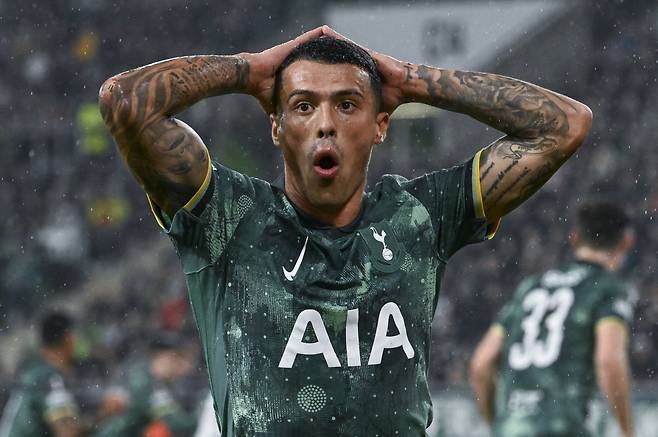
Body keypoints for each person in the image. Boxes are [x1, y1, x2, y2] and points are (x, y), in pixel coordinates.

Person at [98, 25, 592, 436]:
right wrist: (248, 69)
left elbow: (565, 125)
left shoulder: (417, 216)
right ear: (276, 126)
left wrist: (410, 79)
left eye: (348, 104)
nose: (326, 124)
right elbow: (124, 102)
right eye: (304, 105)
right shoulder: (229, 217)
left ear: (381, 124)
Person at [469, 201, 635, 437]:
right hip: (564, 426)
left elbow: (481, 364)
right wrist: (628, 430)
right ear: (626, 242)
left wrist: (497, 424)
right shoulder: (606, 289)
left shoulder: (531, 287)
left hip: (512, 427)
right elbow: (609, 360)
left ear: (574, 238)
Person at [93, 334, 196, 437]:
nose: (173, 366)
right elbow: (145, 407)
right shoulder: (140, 376)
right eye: (171, 360)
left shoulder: (161, 383)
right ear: (158, 357)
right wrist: (195, 421)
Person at [0, 311, 83, 437]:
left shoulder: (36, 370)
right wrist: (104, 414)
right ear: (68, 338)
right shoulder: (49, 377)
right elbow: (68, 433)